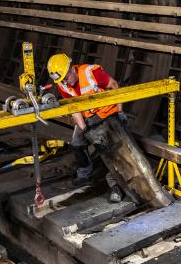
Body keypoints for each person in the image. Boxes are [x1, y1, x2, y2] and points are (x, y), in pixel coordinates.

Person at [47, 53, 126, 203]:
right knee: (77, 143)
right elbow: (74, 108)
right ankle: (85, 173)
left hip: (107, 115)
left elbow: (115, 86)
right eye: (61, 80)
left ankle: (116, 186)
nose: (65, 82)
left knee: (109, 150)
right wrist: (84, 129)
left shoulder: (91, 73)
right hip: (89, 118)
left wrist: (120, 112)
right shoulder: (62, 84)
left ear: (72, 68)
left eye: (66, 77)